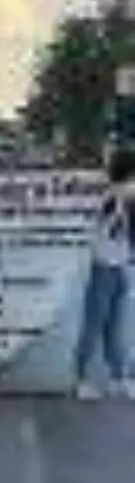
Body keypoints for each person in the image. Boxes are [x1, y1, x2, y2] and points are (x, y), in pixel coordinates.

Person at [75, 149, 135, 400]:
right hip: (101, 265)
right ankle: (81, 380)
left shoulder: (122, 194)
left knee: (116, 326)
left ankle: (118, 377)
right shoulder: (110, 195)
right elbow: (108, 216)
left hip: (119, 266)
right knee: (94, 326)